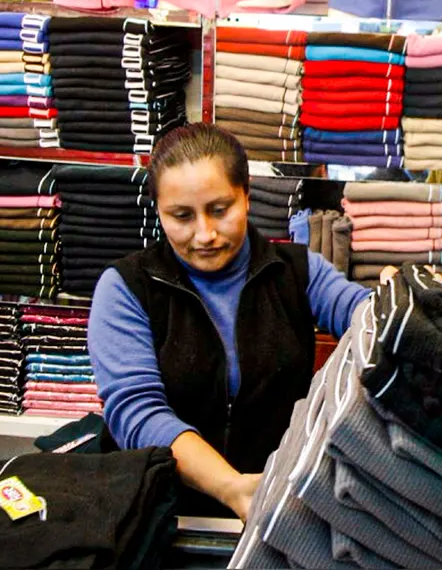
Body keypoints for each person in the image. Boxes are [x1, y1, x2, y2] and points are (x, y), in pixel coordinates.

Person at [89, 124, 372, 519]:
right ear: (159, 211)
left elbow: (363, 317)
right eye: (181, 216)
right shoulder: (127, 288)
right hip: (158, 516)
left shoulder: (296, 271)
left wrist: (396, 304)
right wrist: (231, 487)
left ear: (247, 197)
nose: (204, 234)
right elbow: (136, 412)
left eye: (220, 210)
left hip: (273, 504)